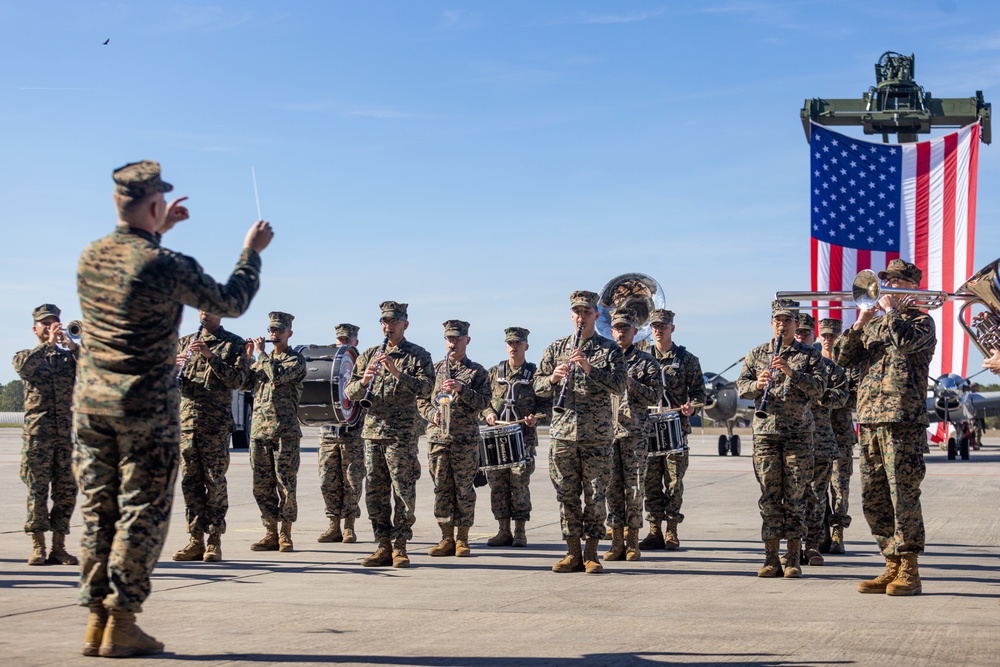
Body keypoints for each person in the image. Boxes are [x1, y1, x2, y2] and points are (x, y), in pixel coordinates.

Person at [74, 160, 270, 657]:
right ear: (157, 205)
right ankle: (121, 622)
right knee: (142, 510)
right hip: (143, 407)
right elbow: (231, 300)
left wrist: (155, 230)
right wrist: (251, 252)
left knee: (100, 510)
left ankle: (95, 621)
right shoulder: (165, 264)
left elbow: (131, 265)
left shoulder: (90, 257)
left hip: (92, 405)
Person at [834, 258, 936, 596]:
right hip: (870, 419)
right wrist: (862, 320)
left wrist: (891, 312)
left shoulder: (922, 323)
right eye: (886, 281)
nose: (887, 287)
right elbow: (841, 359)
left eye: (895, 281)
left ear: (911, 287)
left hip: (902, 421)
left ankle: (910, 568)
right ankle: (890, 562)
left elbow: (904, 344)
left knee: (903, 495)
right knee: (873, 496)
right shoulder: (874, 325)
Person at [534, 290, 626, 574]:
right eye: (577, 312)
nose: (581, 316)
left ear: (597, 316)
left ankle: (591, 554)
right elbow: (536, 387)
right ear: (571, 315)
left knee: (596, 495)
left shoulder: (609, 350)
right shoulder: (555, 348)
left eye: (587, 312)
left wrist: (589, 369)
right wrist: (552, 378)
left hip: (596, 436)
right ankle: (572, 552)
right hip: (563, 434)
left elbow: (620, 385)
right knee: (566, 494)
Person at [737, 300, 825, 579]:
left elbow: (820, 388)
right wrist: (757, 385)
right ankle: (771, 557)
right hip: (766, 435)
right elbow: (742, 388)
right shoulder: (757, 354)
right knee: (770, 497)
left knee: (797, 496)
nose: (782, 324)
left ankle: (794, 558)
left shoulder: (810, 355)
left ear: (796, 324)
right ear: (772, 322)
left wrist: (791, 373)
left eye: (788, 320)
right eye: (778, 320)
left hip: (798, 435)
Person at [345, 301, 434, 568]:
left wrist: (397, 373)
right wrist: (363, 381)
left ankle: (401, 546)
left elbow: (427, 388)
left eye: (394, 321)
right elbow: (349, 393)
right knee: (375, 491)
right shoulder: (370, 354)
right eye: (384, 321)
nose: (388, 326)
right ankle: (382, 544)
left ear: (405, 324)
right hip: (373, 433)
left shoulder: (418, 355)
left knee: (403, 491)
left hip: (402, 434)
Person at [171, 311, 250, 563]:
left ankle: (214, 540)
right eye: (201, 308)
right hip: (187, 425)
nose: (204, 313)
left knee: (215, 482)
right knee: (189, 483)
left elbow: (239, 380)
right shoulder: (184, 342)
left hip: (215, 426)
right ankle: (195, 539)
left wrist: (210, 356)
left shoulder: (234, 343)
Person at [417, 320, 491, 557]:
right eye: (449, 338)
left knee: (464, 490)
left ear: (467, 340)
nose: (453, 343)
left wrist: (462, 389)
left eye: (457, 338)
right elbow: (421, 400)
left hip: (464, 440)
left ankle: (463, 538)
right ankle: (446, 537)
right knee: (442, 489)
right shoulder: (435, 369)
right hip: (438, 439)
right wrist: (432, 415)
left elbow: (484, 403)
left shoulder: (477, 371)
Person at [13, 304, 79, 567]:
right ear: (35, 328)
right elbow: (24, 369)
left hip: (64, 436)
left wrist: (71, 345)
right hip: (37, 437)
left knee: (66, 492)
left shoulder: (67, 359)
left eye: (55, 322)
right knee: (37, 492)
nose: (51, 327)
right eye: (45, 323)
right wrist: (48, 344)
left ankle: (59, 547)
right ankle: (38, 546)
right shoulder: (26, 355)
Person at [640, 308, 705, 551]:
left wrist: (692, 408)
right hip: (648, 428)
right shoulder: (642, 357)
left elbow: (700, 393)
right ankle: (654, 530)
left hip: (675, 427)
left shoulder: (687, 360)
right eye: (655, 326)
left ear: (672, 328)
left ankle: (672, 531)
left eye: (663, 326)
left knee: (674, 482)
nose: (658, 330)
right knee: (650, 481)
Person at [481, 327, 548, 547]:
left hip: (522, 439)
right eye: (510, 343)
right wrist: (488, 412)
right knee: (498, 484)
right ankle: (503, 530)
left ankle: (520, 531)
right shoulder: (494, 373)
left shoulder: (535, 374)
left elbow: (547, 404)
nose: (513, 347)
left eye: (518, 343)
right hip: (497, 438)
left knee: (519, 484)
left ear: (526, 346)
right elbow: (483, 400)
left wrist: (535, 418)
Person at [604, 308, 662, 561]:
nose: (620, 332)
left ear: (635, 332)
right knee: (611, 489)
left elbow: (655, 395)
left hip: (635, 434)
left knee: (634, 489)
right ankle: (616, 541)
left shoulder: (647, 362)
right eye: (616, 328)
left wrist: (631, 383)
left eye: (625, 328)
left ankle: (633, 542)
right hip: (606, 432)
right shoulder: (604, 358)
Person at [247, 311, 307, 553]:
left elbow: (277, 376)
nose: (274, 334)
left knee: (286, 484)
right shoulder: (261, 360)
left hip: (285, 432)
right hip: (259, 432)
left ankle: (286, 532)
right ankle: (270, 531)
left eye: (279, 330)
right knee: (261, 485)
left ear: (289, 333)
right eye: (271, 330)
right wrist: (247, 358)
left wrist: (261, 354)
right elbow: (243, 383)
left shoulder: (295, 360)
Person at [794, 314, 848, 567]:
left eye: (806, 332)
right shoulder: (783, 363)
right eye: (798, 332)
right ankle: (795, 544)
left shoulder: (834, 367)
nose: (801, 336)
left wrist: (814, 393)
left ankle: (822, 540)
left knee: (829, 491)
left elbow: (843, 397)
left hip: (828, 438)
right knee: (794, 495)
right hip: (793, 439)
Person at [317, 323, 365, 544]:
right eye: (340, 340)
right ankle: (333, 525)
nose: (343, 343)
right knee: (328, 479)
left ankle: (349, 526)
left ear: (355, 342)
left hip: (352, 432)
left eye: (348, 340)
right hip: (328, 432)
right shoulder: (328, 361)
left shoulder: (362, 363)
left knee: (352, 480)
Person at [818, 318, 858, 555]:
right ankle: (820, 533)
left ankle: (838, 533)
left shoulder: (849, 366)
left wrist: (826, 397)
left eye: (832, 335)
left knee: (840, 486)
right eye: (824, 335)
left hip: (841, 434)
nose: (828, 339)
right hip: (818, 434)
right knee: (817, 487)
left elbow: (853, 397)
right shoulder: (811, 363)